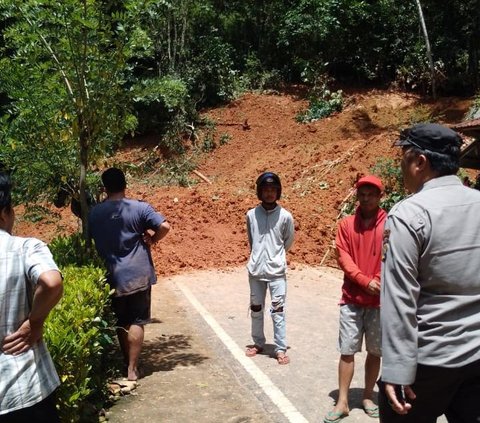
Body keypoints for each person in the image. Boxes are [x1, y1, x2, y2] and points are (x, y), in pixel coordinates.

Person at [379, 123, 480, 422]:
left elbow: (399, 299)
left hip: (429, 361)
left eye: (403, 158)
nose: (400, 166)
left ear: (419, 162)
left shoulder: (409, 215)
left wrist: (397, 371)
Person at [89, 167, 170, 381]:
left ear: (104, 188)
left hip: (111, 275)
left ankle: (126, 360)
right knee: (137, 319)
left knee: (121, 321)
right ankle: (133, 368)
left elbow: (87, 240)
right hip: (138, 274)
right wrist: (153, 239)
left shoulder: (95, 213)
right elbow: (164, 226)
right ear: (125, 185)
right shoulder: (139, 208)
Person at [0, 172, 63, 422]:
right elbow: (51, 282)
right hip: (23, 389)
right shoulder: (25, 247)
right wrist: (34, 322)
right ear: (4, 213)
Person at [324, 175, 387, 423]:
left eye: (371, 193)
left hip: (380, 301)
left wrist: (379, 281)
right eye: (362, 193)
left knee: (375, 351)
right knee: (347, 351)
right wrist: (364, 280)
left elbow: (393, 255)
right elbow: (344, 258)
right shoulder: (346, 225)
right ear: (357, 195)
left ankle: (368, 396)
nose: (366, 197)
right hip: (351, 298)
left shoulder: (390, 224)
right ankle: (342, 401)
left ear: (380, 196)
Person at [245, 172, 294, 365]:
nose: (269, 193)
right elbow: (252, 240)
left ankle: (280, 348)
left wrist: (277, 257)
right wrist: (257, 257)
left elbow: (288, 241)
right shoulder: (251, 215)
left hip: (276, 273)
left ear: (278, 192)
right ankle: (258, 343)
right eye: (265, 190)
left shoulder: (285, 216)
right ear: (260, 192)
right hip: (256, 271)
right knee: (256, 308)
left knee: (278, 311)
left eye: (273, 190)